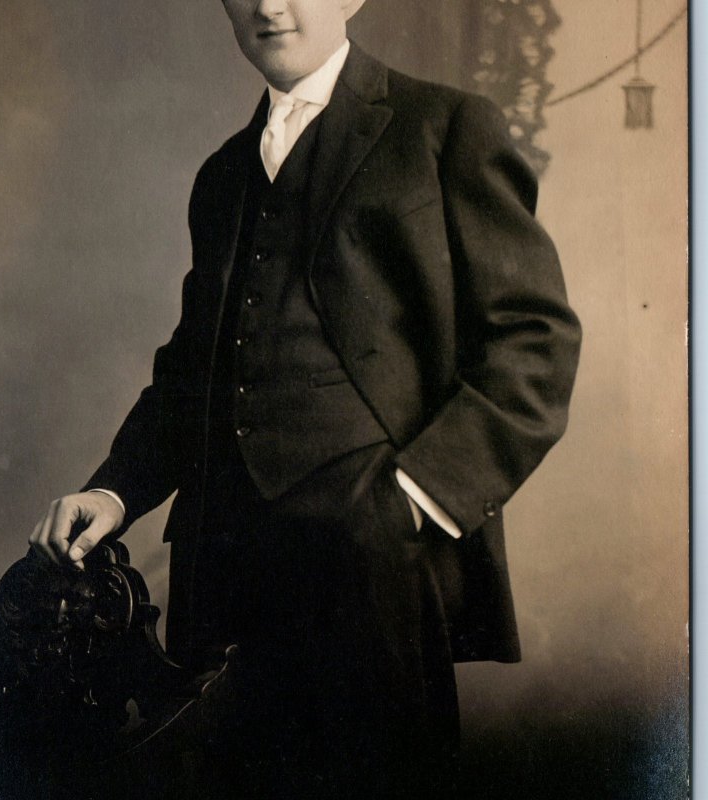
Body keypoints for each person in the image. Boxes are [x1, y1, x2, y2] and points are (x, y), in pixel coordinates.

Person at [30, 0, 581, 796]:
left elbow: (535, 342)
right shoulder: (222, 176)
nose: (267, 4)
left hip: (374, 574)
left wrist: (415, 499)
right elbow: (192, 374)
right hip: (222, 576)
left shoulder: (445, 127)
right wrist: (114, 489)